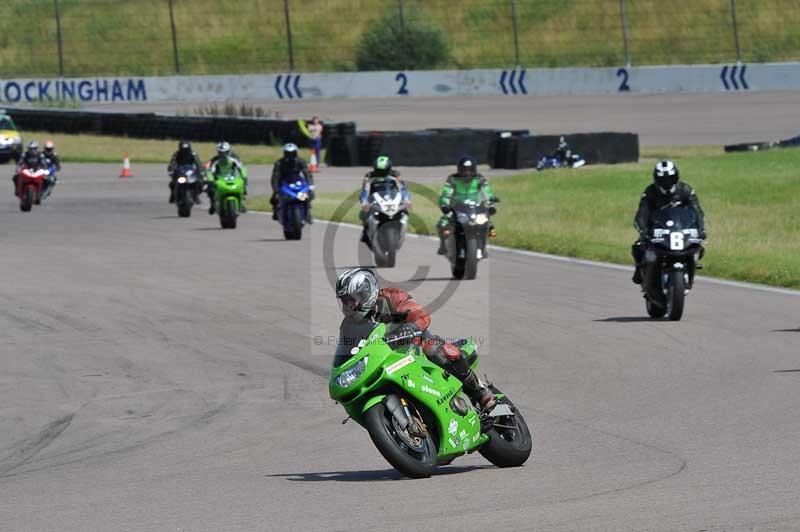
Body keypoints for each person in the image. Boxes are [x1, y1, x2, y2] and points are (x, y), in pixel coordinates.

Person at [334, 268, 497, 411]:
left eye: (352, 299)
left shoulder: (391, 296)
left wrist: (411, 327)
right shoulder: (349, 325)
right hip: (386, 361)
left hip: (416, 347)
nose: (349, 306)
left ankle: (481, 394)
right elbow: (349, 349)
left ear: (366, 292)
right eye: (345, 302)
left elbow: (421, 315)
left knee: (434, 350)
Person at [631, 160, 706, 284]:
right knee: (638, 248)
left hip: (680, 228)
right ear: (656, 180)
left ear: (676, 177)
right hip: (657, 229)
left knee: (699, 247)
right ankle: (639, 271)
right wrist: (643, 231)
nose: (666, 183)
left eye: (670, 179)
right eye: (662, 180)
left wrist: (701, 229)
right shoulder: (650, 192)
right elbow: (641, 214)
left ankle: (689, 269)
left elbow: (697, 211)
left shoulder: (685, 190)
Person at [436, 156, 499, 256]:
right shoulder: (452, 179)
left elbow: (488, 193)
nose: (467, 173)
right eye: (464, 170)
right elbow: (446, 194)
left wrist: (491, 205)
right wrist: (444, 204)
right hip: (457, 207)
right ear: (459, 170)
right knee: (442, 224)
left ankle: (483, 246)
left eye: (469, 170)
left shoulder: (480, 179)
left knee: (489, 225)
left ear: (474, 170)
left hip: (476, 208)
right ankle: (443, 245)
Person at [359, 155, 410, 246]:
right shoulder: (368, 175)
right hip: (374, 198)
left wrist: (406, 200)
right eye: (379, 171)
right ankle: (366, 232)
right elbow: (364, 190)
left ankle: (401, 229)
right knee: (363, 213)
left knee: (404, 210)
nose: (381, 173)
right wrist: (364, 202)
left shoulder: (396, 174)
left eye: (383, 171)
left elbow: (403, 188)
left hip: (391, 197)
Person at [270, 143, 314, 222]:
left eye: (292, 153)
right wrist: (276, 189)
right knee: (274, 198)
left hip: (297, 181)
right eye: (288, 153)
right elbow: (275, 177)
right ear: (284, 153)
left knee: (308, 194)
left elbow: (307, 173)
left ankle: (308, 213)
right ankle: (276, 211)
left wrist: (310, 185)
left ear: (296, 153)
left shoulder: (300, 161)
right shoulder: (279, 163)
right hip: (283, 181)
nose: (290, 156)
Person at [206, 141, 248, 215]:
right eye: (221, 153)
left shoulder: (235, 158)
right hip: (219, 179)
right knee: (210, 189)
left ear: (229, 151)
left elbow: (242, 168)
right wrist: (210, 181)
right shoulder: (214, 160)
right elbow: (210, 172)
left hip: (233, 178)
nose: (223, 155)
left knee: (243, 185)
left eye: (225, 152)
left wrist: (244, 177)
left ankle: (241, 204)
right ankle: (213, 204)